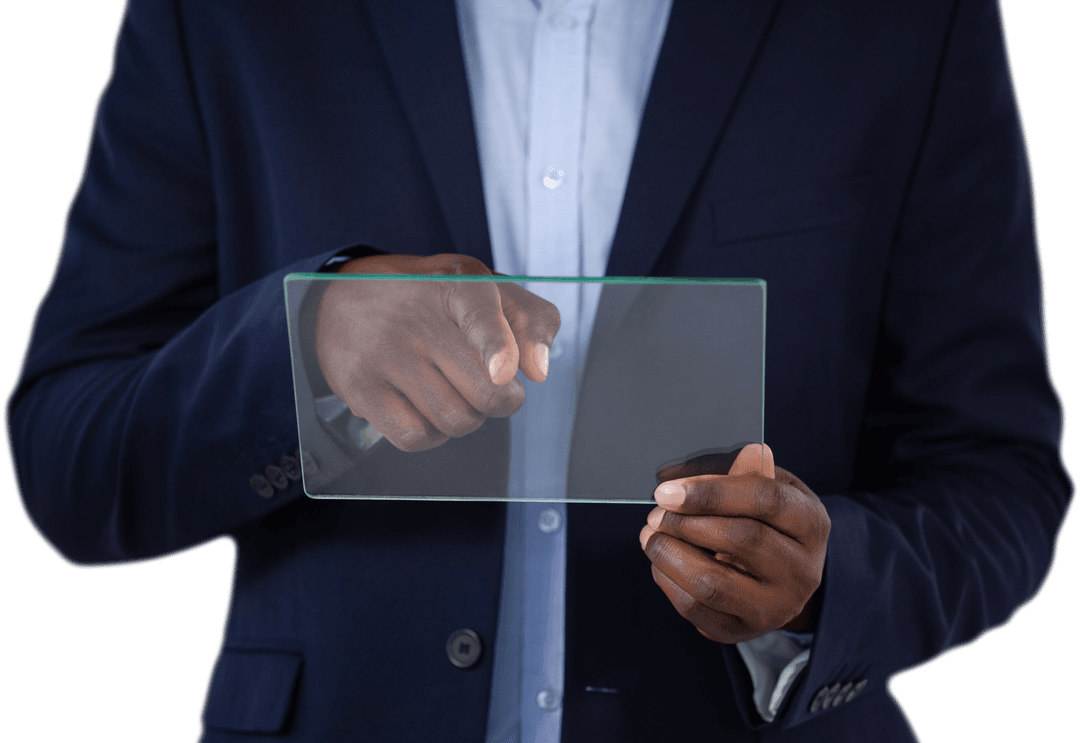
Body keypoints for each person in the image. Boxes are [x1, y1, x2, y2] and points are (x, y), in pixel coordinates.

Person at [4, 1, 1072, 742]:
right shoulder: (225, 15)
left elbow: (998, 471)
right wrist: (306, 342)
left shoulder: (910, 21)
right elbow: (69, 453)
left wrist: (826, 587)